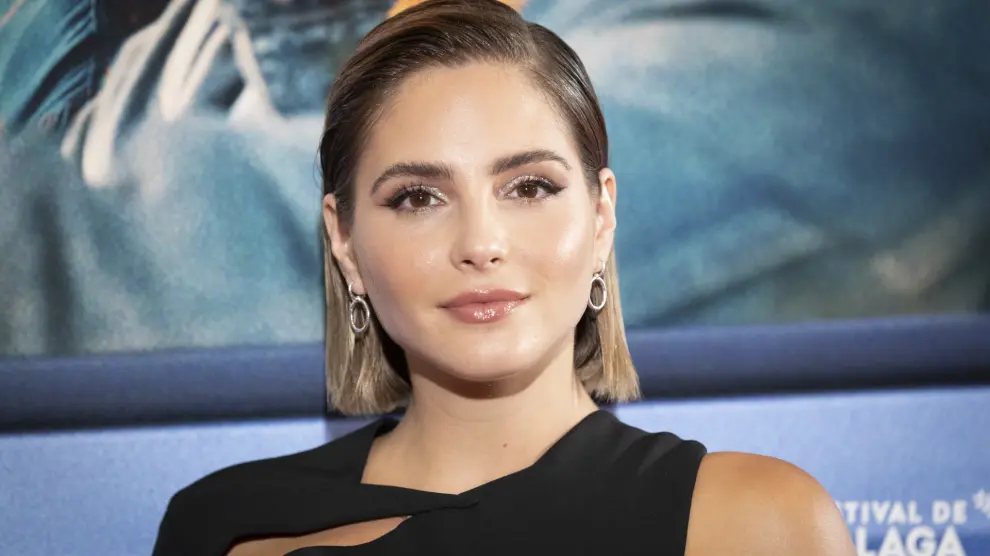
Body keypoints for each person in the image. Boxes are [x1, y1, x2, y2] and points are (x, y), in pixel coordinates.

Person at [150, 1, 857, 554]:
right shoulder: (228, 527)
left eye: (529, 187)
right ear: (344, 240)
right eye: (418, 198)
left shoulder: (756, 523)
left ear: (601, 216)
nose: (481, 244)